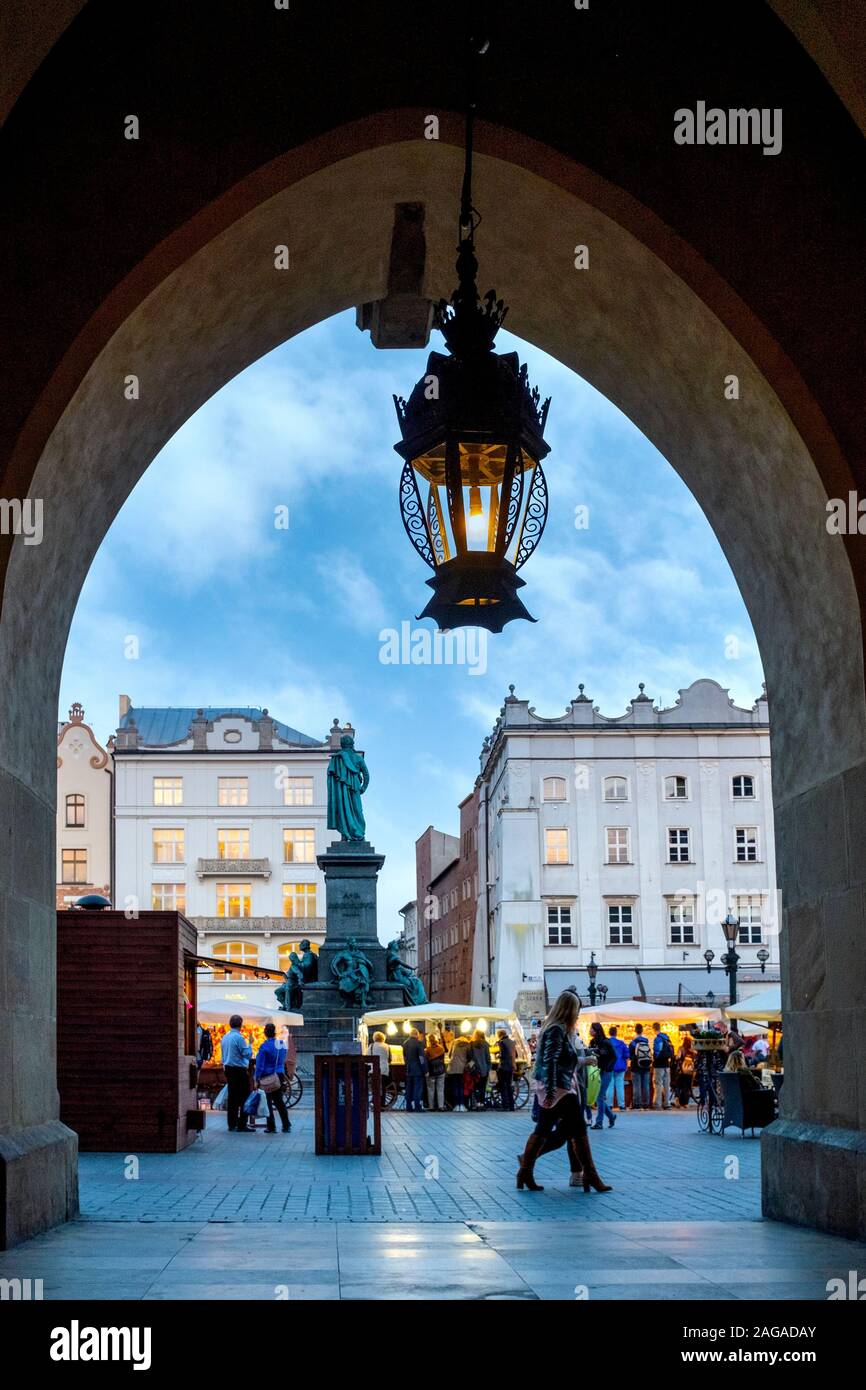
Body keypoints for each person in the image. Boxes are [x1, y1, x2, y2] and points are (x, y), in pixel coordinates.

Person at [516, 991, 611, 1194]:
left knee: (545, 1129)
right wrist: (551, 1090)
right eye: (576, 1010)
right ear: (568, 1010)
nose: (578, 1014)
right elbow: (550, 1061)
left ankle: (525, 1171)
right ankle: (589, 1175)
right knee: (577, 1129)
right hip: (558, 1088)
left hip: (558, 1086)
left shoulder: (559, 1029)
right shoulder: (556, 1030)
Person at [255, 1021, 290, 1133]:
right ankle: (286, 1125)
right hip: (279, 1075)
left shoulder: (264, 1047)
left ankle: (271, 1126)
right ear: (275, 1032)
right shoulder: (282, 1044)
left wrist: (256, 1078)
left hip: (267, 1077)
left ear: (265, 1033)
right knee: (279, 1101)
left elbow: (260, 1065)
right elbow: (284, 1058)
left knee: (268, 1102)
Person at [220, 1014, 253, 1132]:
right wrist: (250, 1043)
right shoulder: (239, 1038)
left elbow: (223, 1056)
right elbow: (247, 1055)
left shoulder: (225, 1037)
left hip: (228, 1069)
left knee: (232, 1097)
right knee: (245, 1096)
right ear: (241, 1025)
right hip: (239, 1070)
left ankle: (231, 1123)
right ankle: (242, 1124)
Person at [589, 1022, 617, 1130]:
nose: (590, 1030)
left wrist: (609, 1067)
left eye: (592, 1029)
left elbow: (614, 1056)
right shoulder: (593, 1042)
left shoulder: (606, 1042)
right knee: (598, 1097)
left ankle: (599, 1122)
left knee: (599, 1096)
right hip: (597, 1072)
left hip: (606, 1072)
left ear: (596, 1030)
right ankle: (611, 1116)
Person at [402, 1027, 427, 1112]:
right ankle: (417, 1106)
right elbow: (421, 1058)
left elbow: (404, 1056)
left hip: (408, 1069)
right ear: (417, 1035)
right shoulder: (419, 1043)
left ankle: (408, 1106)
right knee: (418, 1088)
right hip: (418, 1070)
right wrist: (425, 1070)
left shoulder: (405, 1043)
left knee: (409, 1088)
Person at [628, 1023, 652, 1109]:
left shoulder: (633, 1043)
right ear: (642, 1031)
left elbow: (629, 1055)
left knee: (636, 1085)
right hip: (646, 1065)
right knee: (646, 1085)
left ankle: (637, 1104)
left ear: (635, 1030)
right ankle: (646, 1104)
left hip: (635, 1066)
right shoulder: (646, 1041)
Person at [652, 1021, 674, 1109]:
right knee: (666, 1084)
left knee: (658, 1084)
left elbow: (657, 1051)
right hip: (667, 1064)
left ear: (654, 1029)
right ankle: (667, 1103)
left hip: (659, 1065)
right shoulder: (667, 1037)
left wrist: (655, 1057)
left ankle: (657, 1104)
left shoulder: (657, 1039)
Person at [446, 1034, 471, 1110]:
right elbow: (469, 1056)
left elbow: (449, 1055)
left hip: (453, 1067)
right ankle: (462, 1105)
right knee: (462, 1086)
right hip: (463, 1068)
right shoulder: (468, 1044)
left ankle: (456, 1105)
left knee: (455, 1086)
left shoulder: (454, 1042)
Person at [608, 1026, 629, 1110]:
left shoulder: (607, 1042)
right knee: (620, 1086)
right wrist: (626, 1065)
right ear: (616, 1033)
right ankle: (622, 1105)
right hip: (620, 1066)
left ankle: (609, 1105)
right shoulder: (622, 1043)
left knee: (610, 1086)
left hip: (610, 1067)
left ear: (609, 1033)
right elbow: (626, 1056)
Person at [470, 1029, 492, 1108]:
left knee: (475, 1087)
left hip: (475, 1069)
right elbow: (488, 1058)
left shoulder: (471, 1044)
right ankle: (482, 1103)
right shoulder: (486, 1044)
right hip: (484, 1069)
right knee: (482, 1087)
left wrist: (471, 1067)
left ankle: (477, 1103)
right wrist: (489, 1068)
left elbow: (470, 1058)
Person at [424, 1031, 446, 1110]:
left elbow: (425, 1061)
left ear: (429, 1041)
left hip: (431, 1072)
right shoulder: (441, 1048)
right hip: (441, 1071)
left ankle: (431, 1106)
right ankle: (441, 1106)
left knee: (430, 1090)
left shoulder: (427, 1050)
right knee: (440, 1089)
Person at [495, 1028, 516, 1110]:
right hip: (510, 1066)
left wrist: (497, 1055)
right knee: (509, 1086)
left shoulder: (501, 1042)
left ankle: (505, 1105)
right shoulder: (511, 1042)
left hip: (503, 1067)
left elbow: (502, 1055)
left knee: (503, 1086)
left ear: (499, 1035)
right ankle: (511, 1106)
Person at [675, 1033, 696, 1107]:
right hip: (690, 1072)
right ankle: (685, 1103)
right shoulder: (692, 1050)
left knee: (678, 1085)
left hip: (682, 1070)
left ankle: (677, 1101)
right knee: (687, 1087)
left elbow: (678, 1057)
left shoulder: (681, 1048)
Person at [370, 1030, 390, 1103]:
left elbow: (367, 1057)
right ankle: (382, 1103)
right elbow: (390, 1058)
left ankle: (375, 1101)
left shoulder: (371, 1046)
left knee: (375, 1086)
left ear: (374, 1038)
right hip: (384, 1069)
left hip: (374, 1069)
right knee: (383, 1087)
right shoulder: (387, 1046)